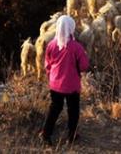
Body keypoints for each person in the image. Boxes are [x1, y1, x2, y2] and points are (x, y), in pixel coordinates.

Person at [40, 15, 89, 145]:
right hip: (72, 85)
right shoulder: (76, 47)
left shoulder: (51, 45)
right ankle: (71, 136)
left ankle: (46, 135)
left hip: (55, 84)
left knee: (55, 108)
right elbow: (84, 66)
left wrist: (51, 75)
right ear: (71, 28)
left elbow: (47, 64)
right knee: (73, 110)